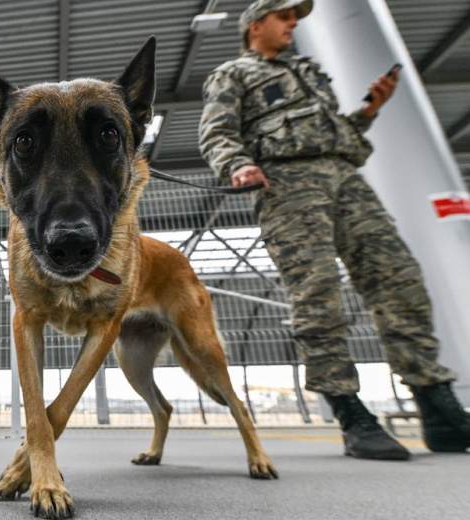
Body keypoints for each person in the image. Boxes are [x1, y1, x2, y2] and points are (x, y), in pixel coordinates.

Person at [198, 0, 470, 460]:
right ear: (256, 25)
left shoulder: (306, 70)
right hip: (287, 185)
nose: (293, 23)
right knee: (316, 291)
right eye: (284, 16)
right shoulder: (233, 73)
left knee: (399, 278)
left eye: (295, 17)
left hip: (345, 178)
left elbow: (334, 132)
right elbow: (216, 131)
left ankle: (436, 402)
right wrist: (237, 164)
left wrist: (369, 110)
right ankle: (349, 411)